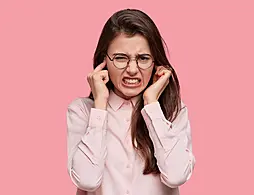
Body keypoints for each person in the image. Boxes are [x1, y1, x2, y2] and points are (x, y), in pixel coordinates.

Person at [66, 8, 196, 195]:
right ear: (104, 61)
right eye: (120, 58)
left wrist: (152, 105)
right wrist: (100, 106)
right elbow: (87, 181)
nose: (132, 69)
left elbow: (176, 176)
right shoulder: (82, 111)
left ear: (155, 62)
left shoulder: (173, 110)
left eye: (143, 58)